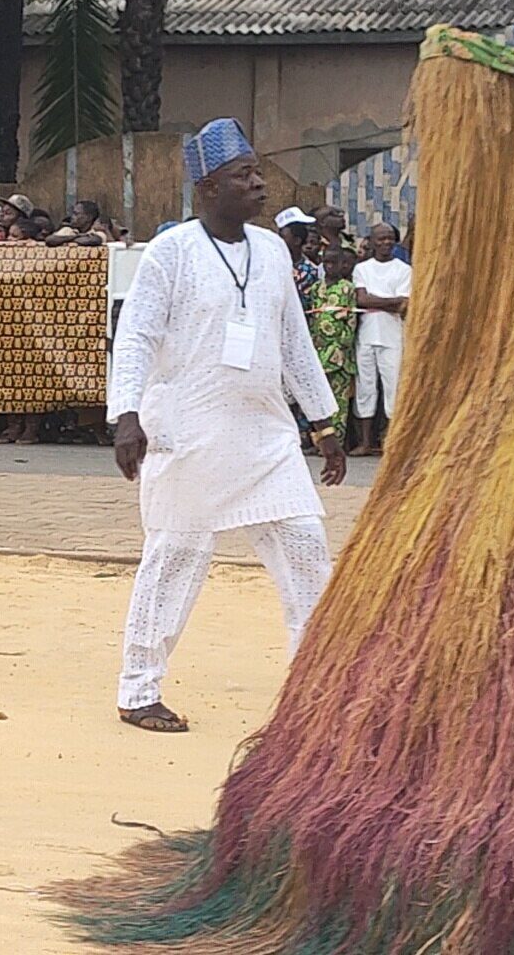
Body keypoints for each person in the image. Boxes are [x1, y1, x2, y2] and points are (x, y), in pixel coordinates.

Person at [106, 117, 347, 734]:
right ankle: (138, 690)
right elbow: (134, 336)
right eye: (245, 175)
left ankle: (312, 689)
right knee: (176, 556)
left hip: (265, 437)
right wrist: (126, 416)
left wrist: (323, 421)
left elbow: (293, 341)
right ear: (207, 188)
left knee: (305, 548)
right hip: (189, 430)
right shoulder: (172, 253)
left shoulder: (270, 250)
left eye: (257, 171)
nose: (261, 184)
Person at [350, 222, 411, 456]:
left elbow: (404, 304)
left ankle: (391, 442)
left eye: (390, 239)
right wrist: (391, 302)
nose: (386, 243)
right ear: (372, 241)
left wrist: (379, 301)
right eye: (381, 239)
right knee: (366, 387)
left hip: (393, 336)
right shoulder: (362, 268)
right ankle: (365, 442)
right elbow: (362, 300)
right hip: (367, 335)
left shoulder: (404, 270)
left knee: (392, 387)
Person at [309, 247, 359, 442]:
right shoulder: (316, 288)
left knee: (339, 399)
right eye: (326, 262)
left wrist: (342, 345)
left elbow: (351, 319)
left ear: (342, 265)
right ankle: (320, 439)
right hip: (319, 349)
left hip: (340, 353)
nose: (330, 266)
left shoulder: (348, 288)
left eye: (334, 263)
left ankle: (337, 440)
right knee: (320, 397)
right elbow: (313, 317)